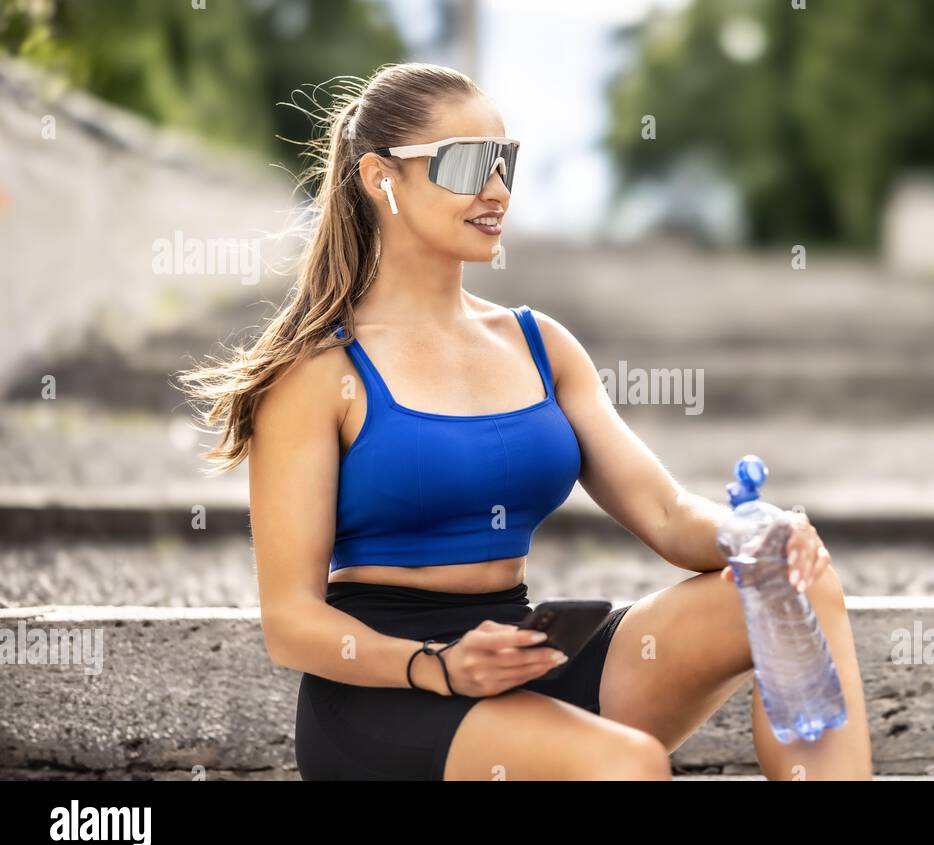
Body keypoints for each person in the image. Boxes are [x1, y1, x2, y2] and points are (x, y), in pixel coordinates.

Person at [176, 62, 871, 781]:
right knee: (625, 765)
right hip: (390, 695)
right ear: (382, 178)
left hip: (523, 660)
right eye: (470, 163)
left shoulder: (541, 345)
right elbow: (291, 623)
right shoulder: (318, 371)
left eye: (504, 161)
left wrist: (755, 536)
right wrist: (438, 668)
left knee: (797, 585)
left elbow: (666, 515)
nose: (498, 190)